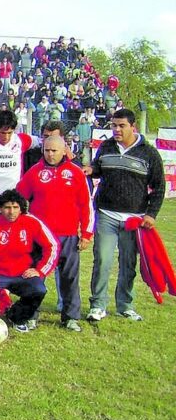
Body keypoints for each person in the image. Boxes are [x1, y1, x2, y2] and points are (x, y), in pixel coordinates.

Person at [85, 109, 165, 322]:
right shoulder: (106, 146)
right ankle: (97, 306)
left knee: (128, 263)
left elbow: (158, 186)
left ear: (133, 126)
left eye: (121, 126)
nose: (116, 130)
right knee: (102, 260)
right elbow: (99, 169)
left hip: (134, 218)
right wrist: (91, 169)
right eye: (113, 126)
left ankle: (125, 305)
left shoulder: (149, 153)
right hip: (106, 214)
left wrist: (151, 214)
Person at [17, 136, 93, 332]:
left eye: (54, 151)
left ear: (64, 150)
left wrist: (86, 233)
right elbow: (18, 197)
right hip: (40, 236)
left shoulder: (76, 173)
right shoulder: (34, 172)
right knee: (34, 275)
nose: (50, 154)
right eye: (47, 150)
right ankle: (30, 315)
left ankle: (70, 317)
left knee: (69, 277)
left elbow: (86, 205)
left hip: (68, 235)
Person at [0, 189, 59, 333]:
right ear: (0, 209)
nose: (11, 212)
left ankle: (16, 317)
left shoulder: (31, 221)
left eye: (15, 207)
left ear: (21, 208)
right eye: (7, 207)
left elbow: (53, 245)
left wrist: (40, 271)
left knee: (38, 290)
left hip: (22, 274)